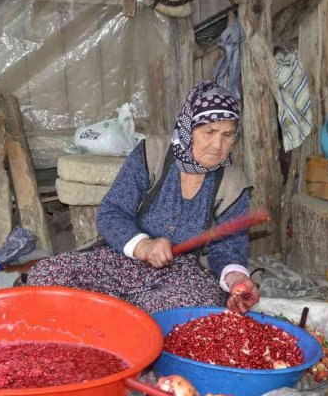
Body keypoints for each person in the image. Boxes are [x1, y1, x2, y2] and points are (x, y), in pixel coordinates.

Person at [28, 80, 260, 315]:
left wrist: (237, 279)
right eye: (209, 132)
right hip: (121, 258)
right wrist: (144, 245)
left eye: (227, 135)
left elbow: (229, 247)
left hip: (180, 274)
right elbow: (112, 212)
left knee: (183, 312)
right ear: (190, 127)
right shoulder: (152, 154)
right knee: (46, 276)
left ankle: (118, 316)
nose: (218, 144)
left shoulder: (233, 184)